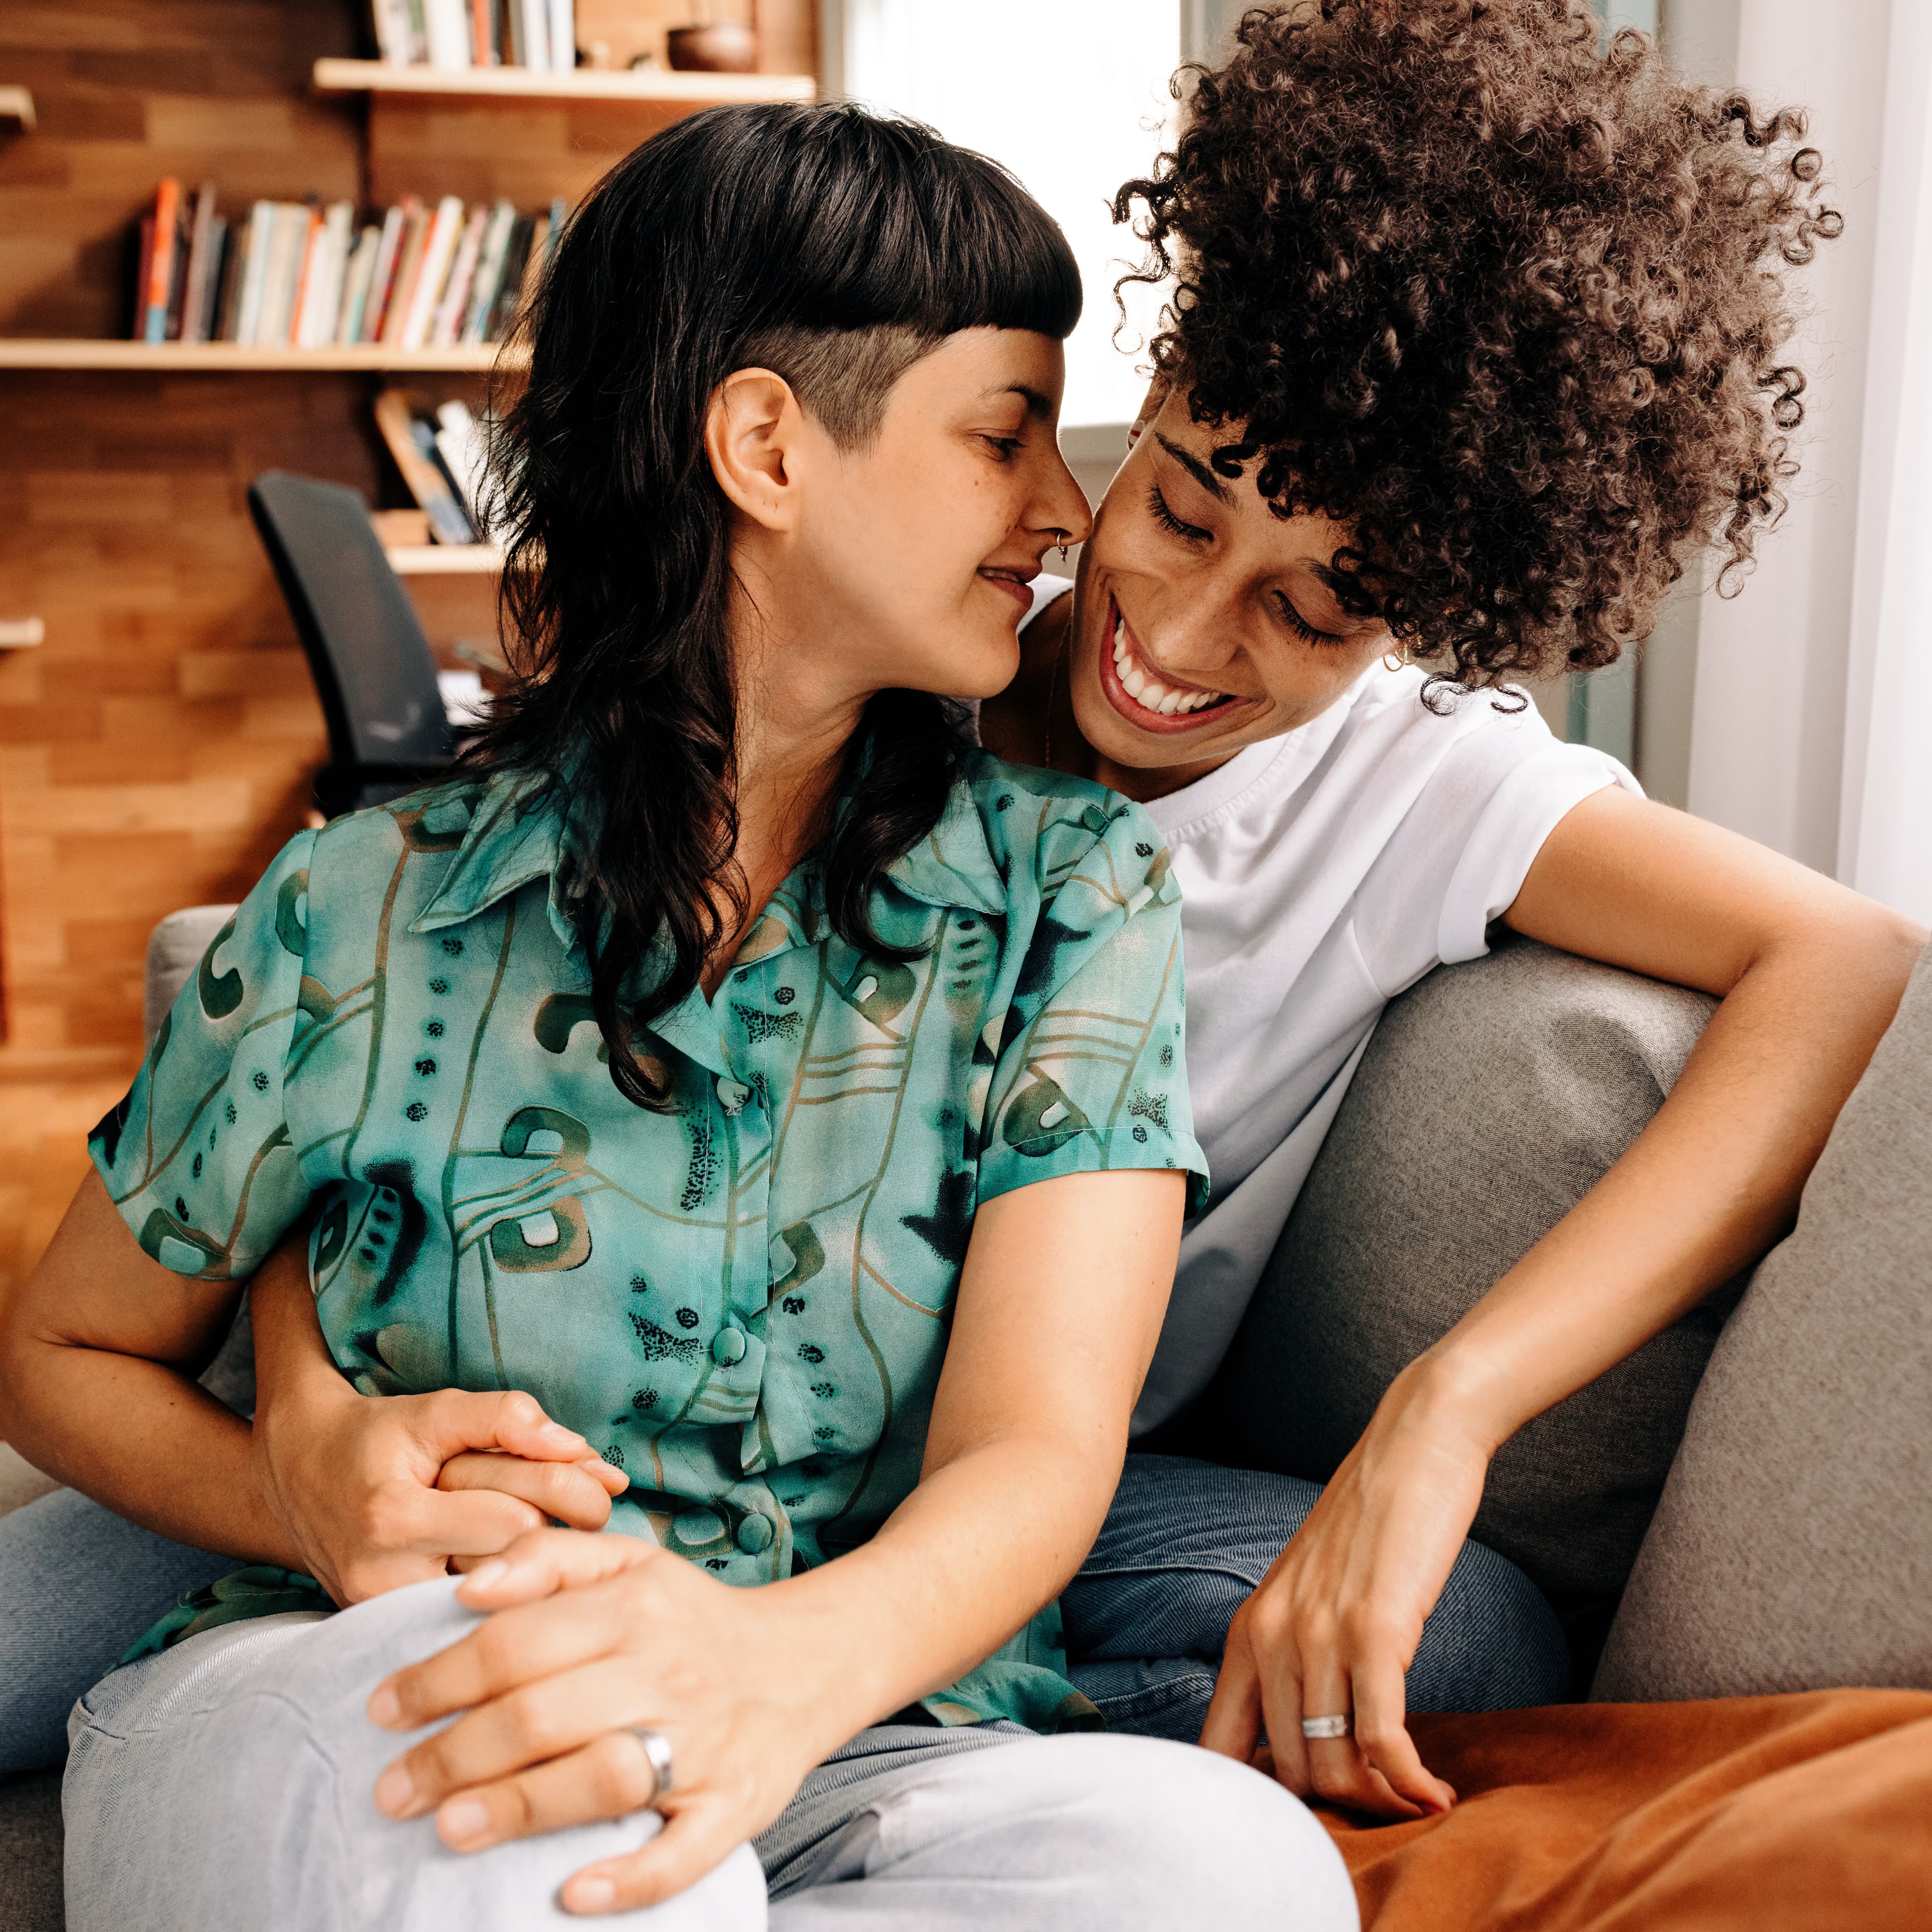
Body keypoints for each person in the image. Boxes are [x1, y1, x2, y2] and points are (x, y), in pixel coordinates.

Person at [0, 104, 1367, 1928]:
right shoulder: (366, 904)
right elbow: (66, 1354)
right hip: (380, 1678)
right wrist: (297, 1491)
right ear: (764, 447)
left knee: (1233, 1873)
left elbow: (1036, 1451)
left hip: (855, 1731)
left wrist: (774, 1678)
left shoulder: (1072, 896)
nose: (1061, 506)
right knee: (563, 1850)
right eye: (1003, 431)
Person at [981, 0, 1926, 1821]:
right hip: (735, 1404)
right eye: (1181, 510)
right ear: (1164, 375)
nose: (1176, 641)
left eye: (1317, 613)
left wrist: (1452, 1405)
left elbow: (1850, 960)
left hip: (1055, 1493)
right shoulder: (934, 626)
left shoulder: (1427, 782)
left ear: (1433, 617)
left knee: (1472, 1646)